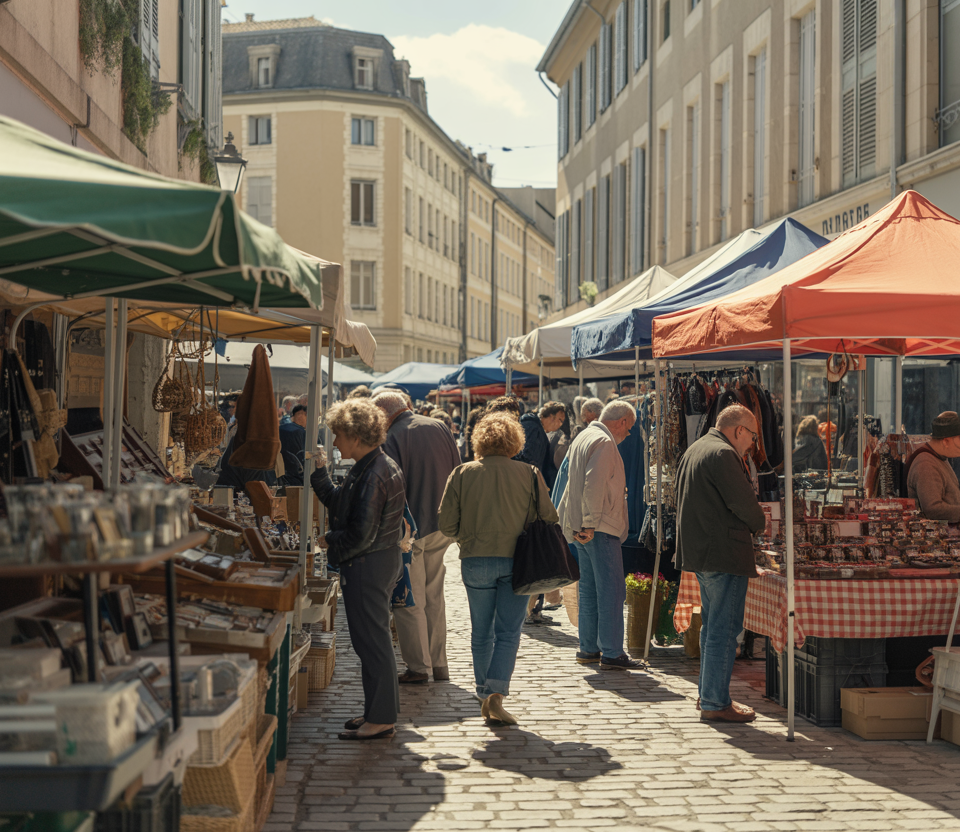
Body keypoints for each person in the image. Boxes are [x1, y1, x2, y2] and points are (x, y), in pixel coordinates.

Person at [438, 412, 558, 724]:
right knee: (508, 631)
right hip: (517, 560)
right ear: (515, 441)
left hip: (475, 559)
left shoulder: (462, 473)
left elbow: (446, 524)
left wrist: (469, 534)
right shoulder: (529, 473)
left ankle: (483, 691)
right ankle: (495, 693)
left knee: (481, 631)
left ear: (480, 440)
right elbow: (549, 516)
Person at [310, 399, 406, 740]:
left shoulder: (375, 470)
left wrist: (328, 540)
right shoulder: (372, 465)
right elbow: (342, 502)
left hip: (369, 563)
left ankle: (380, 718)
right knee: (371, 642)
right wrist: (320, 474)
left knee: (373, 643)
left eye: (338, 435)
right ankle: (377, 712)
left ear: (354, 435)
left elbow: (360, 533)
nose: (335, 442)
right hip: (375, 560)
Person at [674, 403, 766, 724]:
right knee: (723, 630)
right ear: (739, 430)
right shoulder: (722, 454)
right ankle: (715, 700)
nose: (753, 445)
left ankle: (709, 695)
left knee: (714, 627)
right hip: (722, 552)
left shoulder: (696, 448)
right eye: (752, 437)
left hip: (703, 552)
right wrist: (760, 524)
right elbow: (746, 505)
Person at [372, 391, 461, 684]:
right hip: (442, 523)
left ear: (384, 414)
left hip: (410, 529)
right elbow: (457, 469)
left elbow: (390, 486)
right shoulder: (437, 425)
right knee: (434, 595)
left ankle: (419, 666)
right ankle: (439, 664)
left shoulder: (391, 437)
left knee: (410, 599)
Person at [558, 400, 642, 671]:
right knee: (611, 590)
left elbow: (573, 485)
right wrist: (590, 523)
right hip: (598, 527)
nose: (628, 435)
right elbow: (592, 484)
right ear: (622, 422)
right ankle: (612, 651)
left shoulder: (584, 436)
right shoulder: (604, 443)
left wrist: (576, 523)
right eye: (629, 429)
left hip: (584, 525)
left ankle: (588, 647)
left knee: (590, 590)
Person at [906, 411, 960, 521]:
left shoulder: (938, 457)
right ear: (946, 441)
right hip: (941, 534)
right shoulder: (926, 464)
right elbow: (933, 510)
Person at [519, 401, 566, 490]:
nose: (561, 425)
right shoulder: (534, 429)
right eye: (560, 420)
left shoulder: (534, 427)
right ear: (552, 417)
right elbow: (528, 460)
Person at [278, 404, 308, 486]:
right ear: (300, 415)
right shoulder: (301, 433)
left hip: (279, 474)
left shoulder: (280, 428)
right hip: (297, 478)